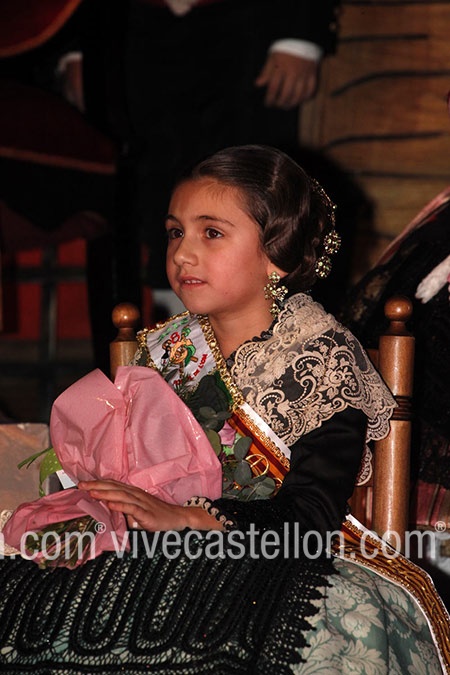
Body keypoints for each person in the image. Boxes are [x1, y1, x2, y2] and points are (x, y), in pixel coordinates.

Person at [0, 146, 449, 672]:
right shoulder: (162, 351)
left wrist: (187, 519)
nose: (182, 254)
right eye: (175, 232)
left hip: (274, 558)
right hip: (153, 555)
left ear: (277, 253)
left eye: (211, 232)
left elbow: (310, 519)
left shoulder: (320, 363)